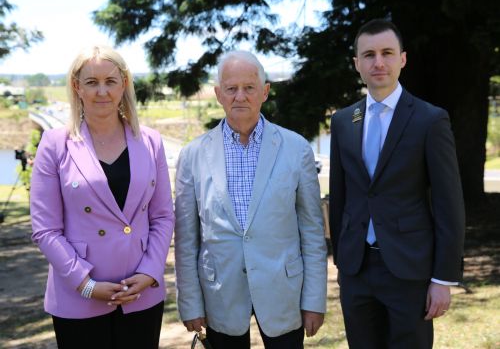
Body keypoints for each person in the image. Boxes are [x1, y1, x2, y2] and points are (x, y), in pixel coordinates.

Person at [174, 50, 328, 348]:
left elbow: (311, 232)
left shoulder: (296, 149)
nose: (240, 96)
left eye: (249, 88)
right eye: (231, 88)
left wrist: (314, 299)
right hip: (220, 295)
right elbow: (186, 239)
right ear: (219, 94)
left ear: (265, 92)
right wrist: (190, 303)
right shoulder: (193, 155)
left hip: (285, 292)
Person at [329, 18, 466, 348]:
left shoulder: (430, 120)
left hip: (410, 271)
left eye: (387, 53)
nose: (379, 62)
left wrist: (442, 278)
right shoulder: (343, 121)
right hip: (356, 270)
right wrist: (342, 261)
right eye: (369, 54)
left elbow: (450, 203)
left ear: (402, 59)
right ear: (357, 64)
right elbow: (340, 196)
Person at [30, 45, 175, 349]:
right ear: (76, 87)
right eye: (91, 82)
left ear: (124, 84)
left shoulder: (151, 141)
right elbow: (45, 229)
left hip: (140, 294)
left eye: (110, 81)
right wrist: (85, 284)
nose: (102, 92)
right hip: (78, 295)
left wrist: (150, 272)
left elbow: (162, 215)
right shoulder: (55, 144)